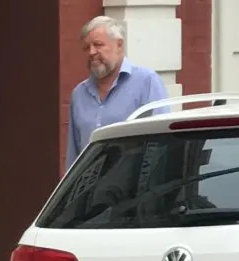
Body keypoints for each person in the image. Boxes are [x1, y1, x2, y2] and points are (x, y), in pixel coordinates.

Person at [66, 15, 169, 170]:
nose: (91, 52)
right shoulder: (79, 94)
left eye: (98, 45)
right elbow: (74, 155)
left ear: (119, 45)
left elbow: (162, 144)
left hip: (134, 189)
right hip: (90, 190)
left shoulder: (147, 83)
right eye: (87, 47)